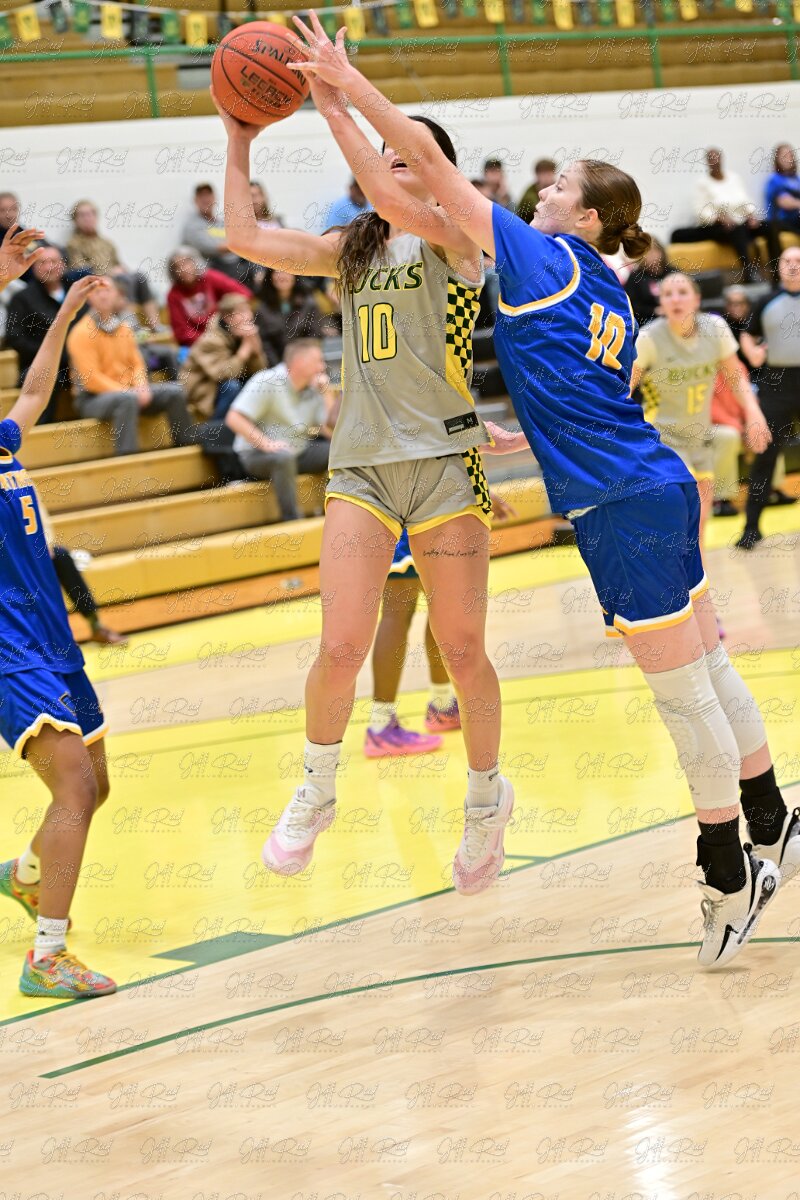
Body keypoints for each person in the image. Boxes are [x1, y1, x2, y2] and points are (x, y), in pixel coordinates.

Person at [298, 27, 797, 967]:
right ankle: (773, 819)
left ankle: (728, 873)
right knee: (711, 666)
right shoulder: (603, 284)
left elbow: (413, 175)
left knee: (683, 697)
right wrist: (532, 430)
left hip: (621, 503)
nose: (543, 190)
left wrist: (344, 87)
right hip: (654, 484)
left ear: (589, 216)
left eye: (560, 185)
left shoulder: (536, 254)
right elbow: (588, 385)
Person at [214, 26, 512, 897]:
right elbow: (243, 234)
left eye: (408, 157)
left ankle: (486, 799)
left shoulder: (459, 236)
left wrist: (337, 97)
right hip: (363, 467)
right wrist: (238, 138)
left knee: (462, 646)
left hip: (446, 461)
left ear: (437, 172)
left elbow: (390, 184)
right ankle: (316, 788)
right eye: (386, 159)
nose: (389, 169)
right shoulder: (352, 248)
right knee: (340, 643)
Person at [0, 273, 117, 999]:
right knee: (73, 783)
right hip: (8, 647)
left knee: (96, 784)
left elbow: (35, 392)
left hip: (53, 637)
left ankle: (24, 875)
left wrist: (67, 310)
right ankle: (47, 956)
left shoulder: (3, 445)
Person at [631, 272, 764, 553]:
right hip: (663, 438)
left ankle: (697, 575)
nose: (675, 299)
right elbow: (624, 389)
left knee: (701, 520)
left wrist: (754, 413)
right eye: (667, 294)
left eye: (682, 292)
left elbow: (736, 377)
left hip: (700, 437)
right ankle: (673, 572)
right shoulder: (648, 338)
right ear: (660, 304)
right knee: (684, 511)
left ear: (697, 299)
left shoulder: (715, 328)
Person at [67, 277, 194, 456]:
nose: (103, 295)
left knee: (176, 391)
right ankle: (127, 457)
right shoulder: (81, 333)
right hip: (92, 399)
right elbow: (91, 380)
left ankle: (187, 447)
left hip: (130, 393)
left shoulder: (125, 328)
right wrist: (129, 392)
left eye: (107, 290)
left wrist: (141, 386)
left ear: (116, 295)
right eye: (97, 292)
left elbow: (136, 363)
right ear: (88, 297)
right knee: (127, 400)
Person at [365, 528, 459, 759]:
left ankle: (443, 704)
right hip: (413, 517)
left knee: (441, 603)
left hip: (394, 520)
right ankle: (381, 726)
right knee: (400, 610)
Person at [225, 339, 335, 520]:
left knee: (337, 451)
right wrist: (267, 444)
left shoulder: (315, 388)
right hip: (257, 455)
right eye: (318, 361)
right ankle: (292, 519)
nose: (322, 367)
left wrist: (327, 393)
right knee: (283, 457)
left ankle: (332, 513)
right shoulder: (267, 380)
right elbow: (234, 418)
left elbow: (331, 432)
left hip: (297, 452)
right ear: (300, 362)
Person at [737, 245, 800, 549]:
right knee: (765, 453)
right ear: (779, 266)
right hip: (777, 383)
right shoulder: (766, 300)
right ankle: (751, 528)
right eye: (788, 261)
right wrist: (752, 353)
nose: (793, 265)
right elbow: (746, 334)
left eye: (799, 260)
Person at [4, 246, 77, 423]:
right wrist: (51, 354)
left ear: (63, 264)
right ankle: (40, 427)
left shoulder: (75, 292)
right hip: (36, 365)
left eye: (53, 261)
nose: (48, 267)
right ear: (34, 267)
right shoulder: (21, 298)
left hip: (76, 361)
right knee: (46, 377)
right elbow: (14, 338)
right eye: (42, 263)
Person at [65, 199, 160, 330]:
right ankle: (131, 327)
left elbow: (119, 264)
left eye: (90, 214)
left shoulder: (106, 242)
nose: (87, 218)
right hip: (98, 281)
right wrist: (109, 272)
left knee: (139, 276)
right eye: (82, 215)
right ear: (75, 220)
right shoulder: (73, 244)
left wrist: (122, 270)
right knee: (125, 280)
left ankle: (155, 326)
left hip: (118, 278)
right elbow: (80, 270)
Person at [670, 148, 763, 282]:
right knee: (677, 234)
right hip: (715, 226)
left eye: (717, 158)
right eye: (711, 159)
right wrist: (719, 218)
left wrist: (751, 215)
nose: (715, 161)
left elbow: (745, 200)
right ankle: (749, 273)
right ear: (707, 162)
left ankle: (776, 272)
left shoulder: (734, 178)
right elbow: (700, 211)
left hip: (739, 223)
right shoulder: (702, 183)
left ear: (722, 159)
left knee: (766, 226)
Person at [182, 292, 269, 422]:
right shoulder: (211, 341)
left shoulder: (240, 335)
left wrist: (256, 351)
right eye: (242, 312)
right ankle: (214, 429)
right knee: (232, 387)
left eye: (248, 311)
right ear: (228, 318)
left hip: (224, 383)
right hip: (203, 389)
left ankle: (251, 426)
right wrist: (245, 350)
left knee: (259, 382)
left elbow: (260, 372)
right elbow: (222, 374)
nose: (249, 317)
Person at [166, 246, 252, 348]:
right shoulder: (173, 295)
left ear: (195, 262)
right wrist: (209, 340)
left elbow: (243, 293)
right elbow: (181, 332)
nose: (183, 269)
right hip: (199, 344)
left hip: (226, 332)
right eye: (177, 267)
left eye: (186, 263)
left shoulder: (210, 278)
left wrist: (226, 313)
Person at [255, 266, 332, 360]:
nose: (282, 276)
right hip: (275, 364)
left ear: (295, 275)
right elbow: (264, 342)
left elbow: (315, 335)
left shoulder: (309, 303)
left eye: (286, 272)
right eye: (277, 272)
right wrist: (277, 365)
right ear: (270, 276)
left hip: (305, 360)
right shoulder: (262, 308)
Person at [181, 182, 251, 281]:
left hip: (235, 266)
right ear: (195, 200)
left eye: (208, 195)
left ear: (214, 198)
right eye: (201, 196)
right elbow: (215, 249)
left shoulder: (222, 222)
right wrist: (243, 242)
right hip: (212, 270)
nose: (205, 199)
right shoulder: (192, 226)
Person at [764, 143, 800, 279]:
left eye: (790, 155)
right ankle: (778, 277)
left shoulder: (797, 179)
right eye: (783, 155)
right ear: (777, 159)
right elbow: (785, 202)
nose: (787, 158)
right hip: (781, 220)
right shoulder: (775, 180)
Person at [623, 237, 675, 327]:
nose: (653, 256)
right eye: (648, 253)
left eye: (655, 251)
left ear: (662, 252)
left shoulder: (673, 272)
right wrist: (655, 311)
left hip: (673, 315)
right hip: (647, 321)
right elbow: (632, 306)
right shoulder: (635, 277)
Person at [516, 157, 557, 226]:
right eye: (544, 174)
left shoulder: (558, 188)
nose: (547, 178)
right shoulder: (529, 194)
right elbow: (538, 209)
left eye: (549, 174)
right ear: (537, 175)